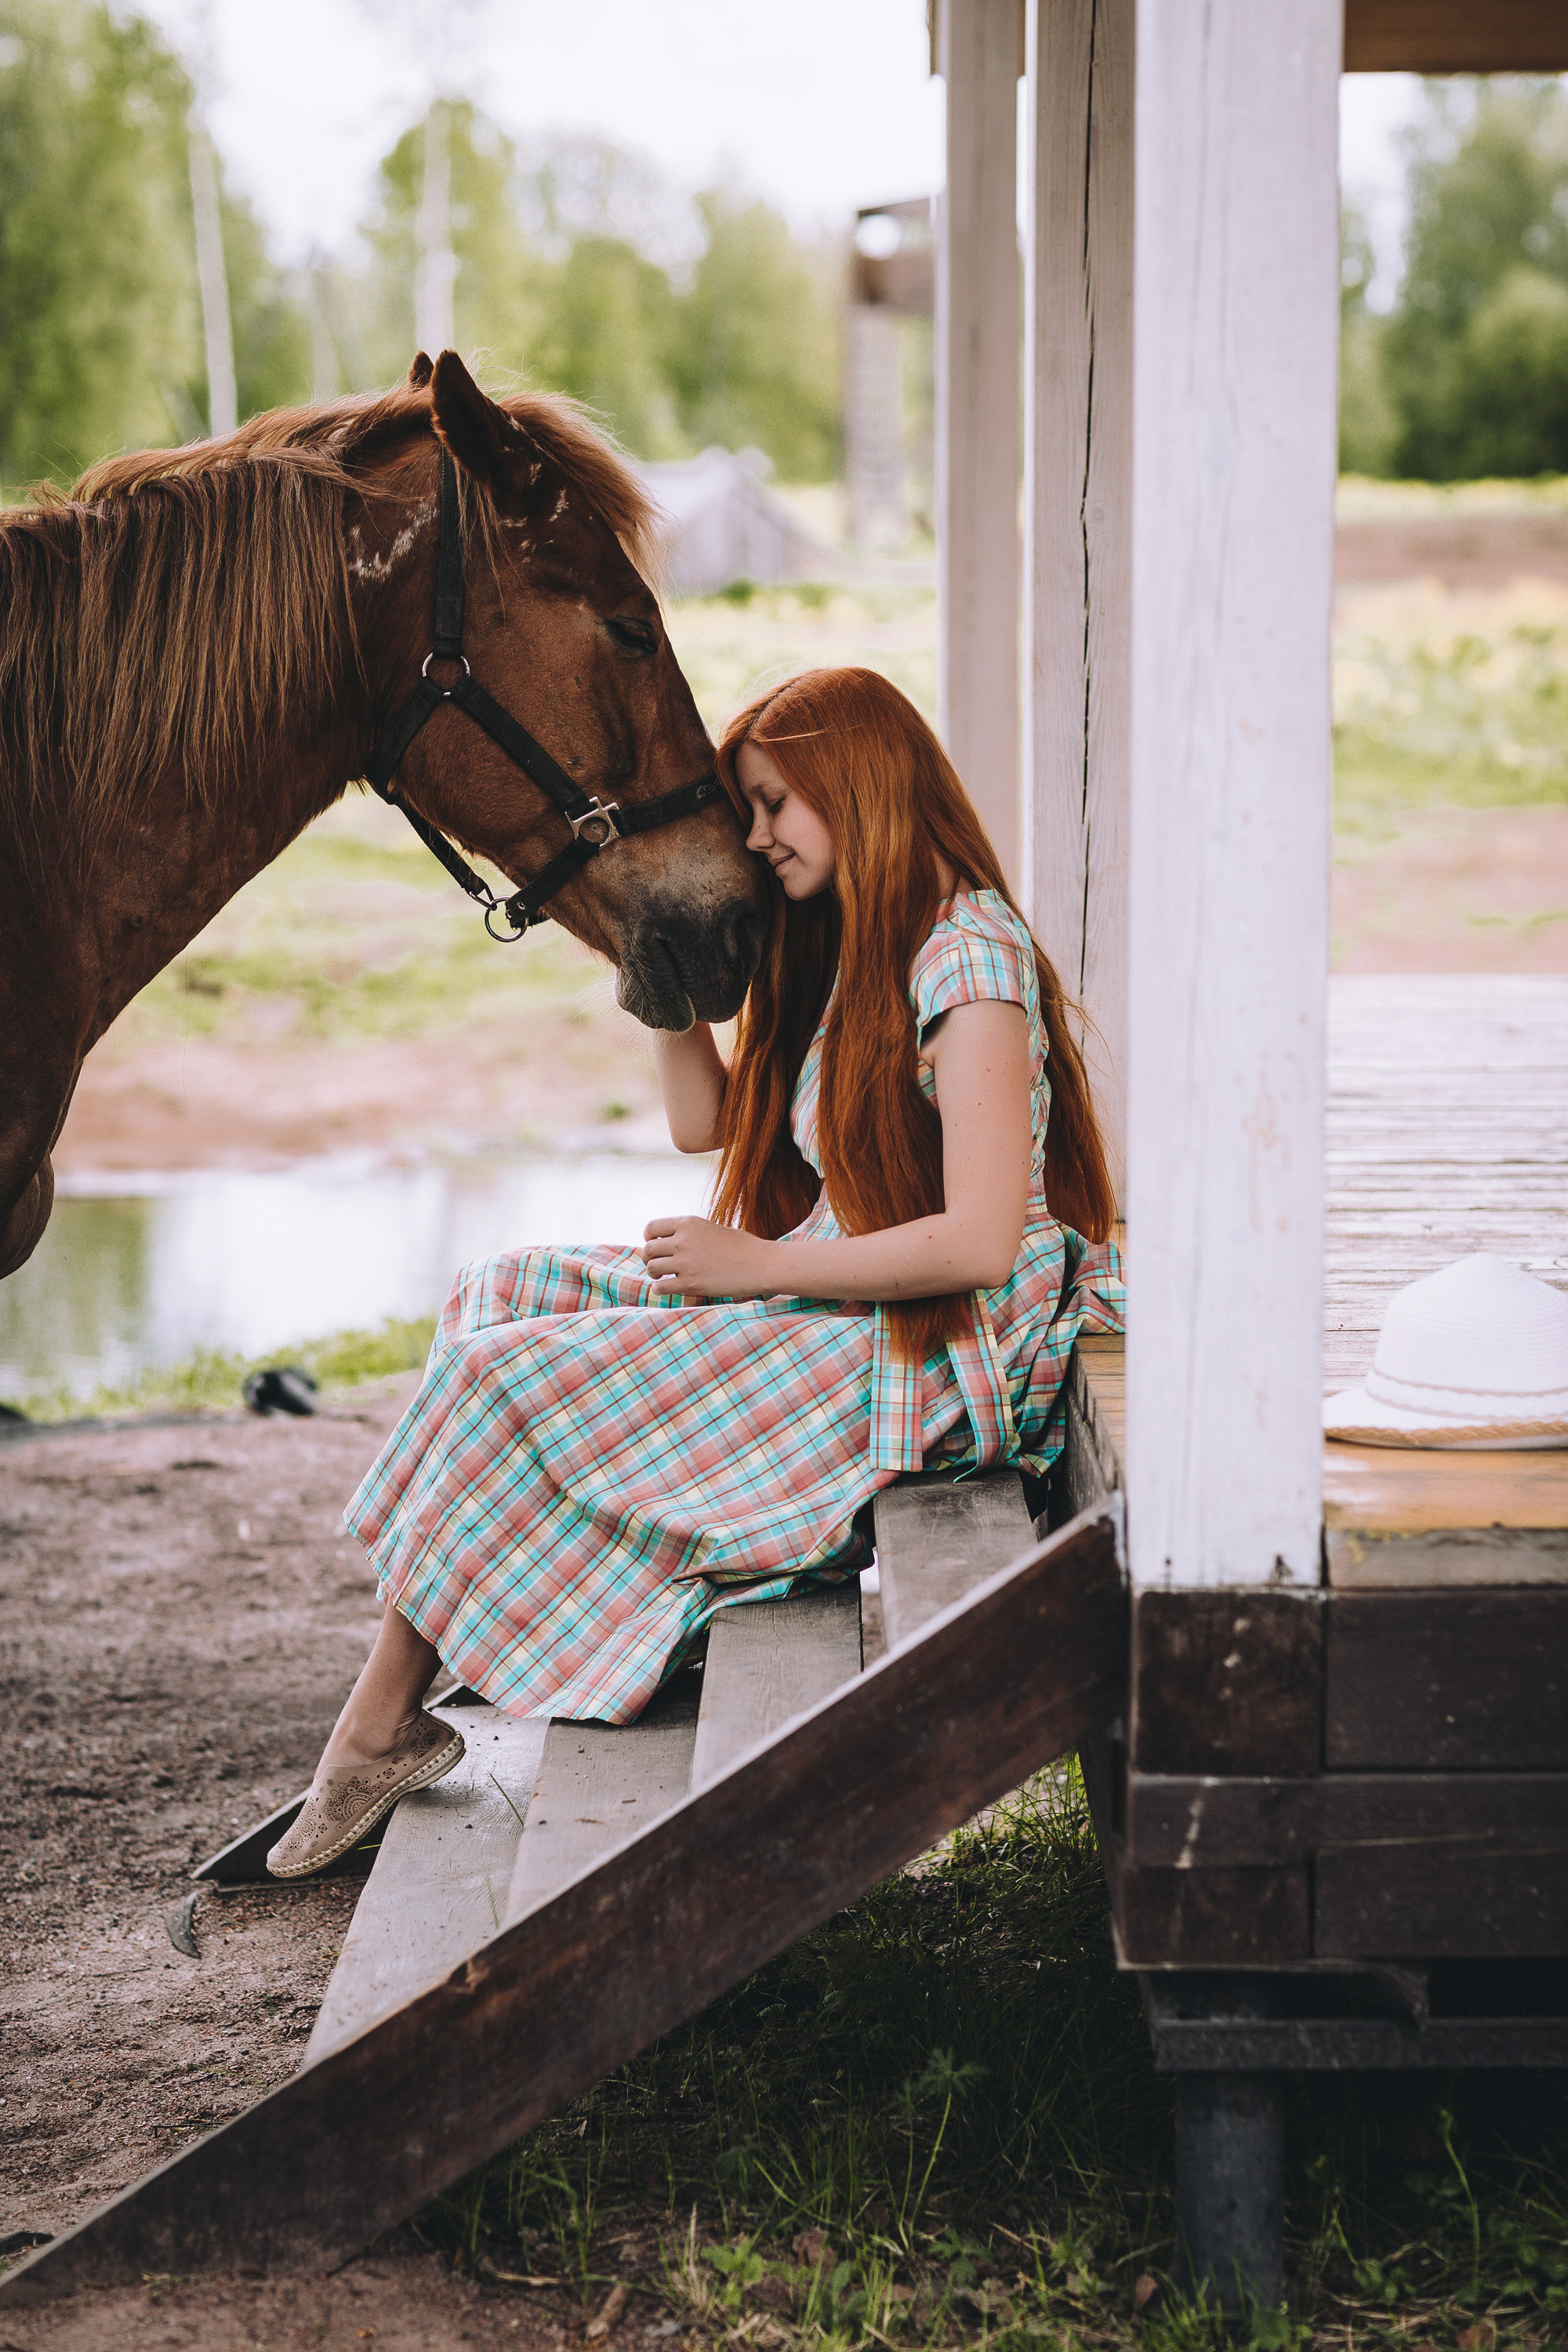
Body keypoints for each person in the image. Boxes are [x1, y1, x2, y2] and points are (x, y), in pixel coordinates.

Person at [267, 667, 1123, 1878]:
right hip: (851, 1287)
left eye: (778, 806)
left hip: (949, 1342)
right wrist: (660, 978)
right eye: (754, 809)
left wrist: (761, 1263)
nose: (760, 837)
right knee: (502, 1295)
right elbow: (706, 1124)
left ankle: (374, 1731)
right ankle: (397, 1708)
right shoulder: (853, 941)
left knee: (512, 1383)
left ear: (861, 788)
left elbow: (982, 1241)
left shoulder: (967, 965)